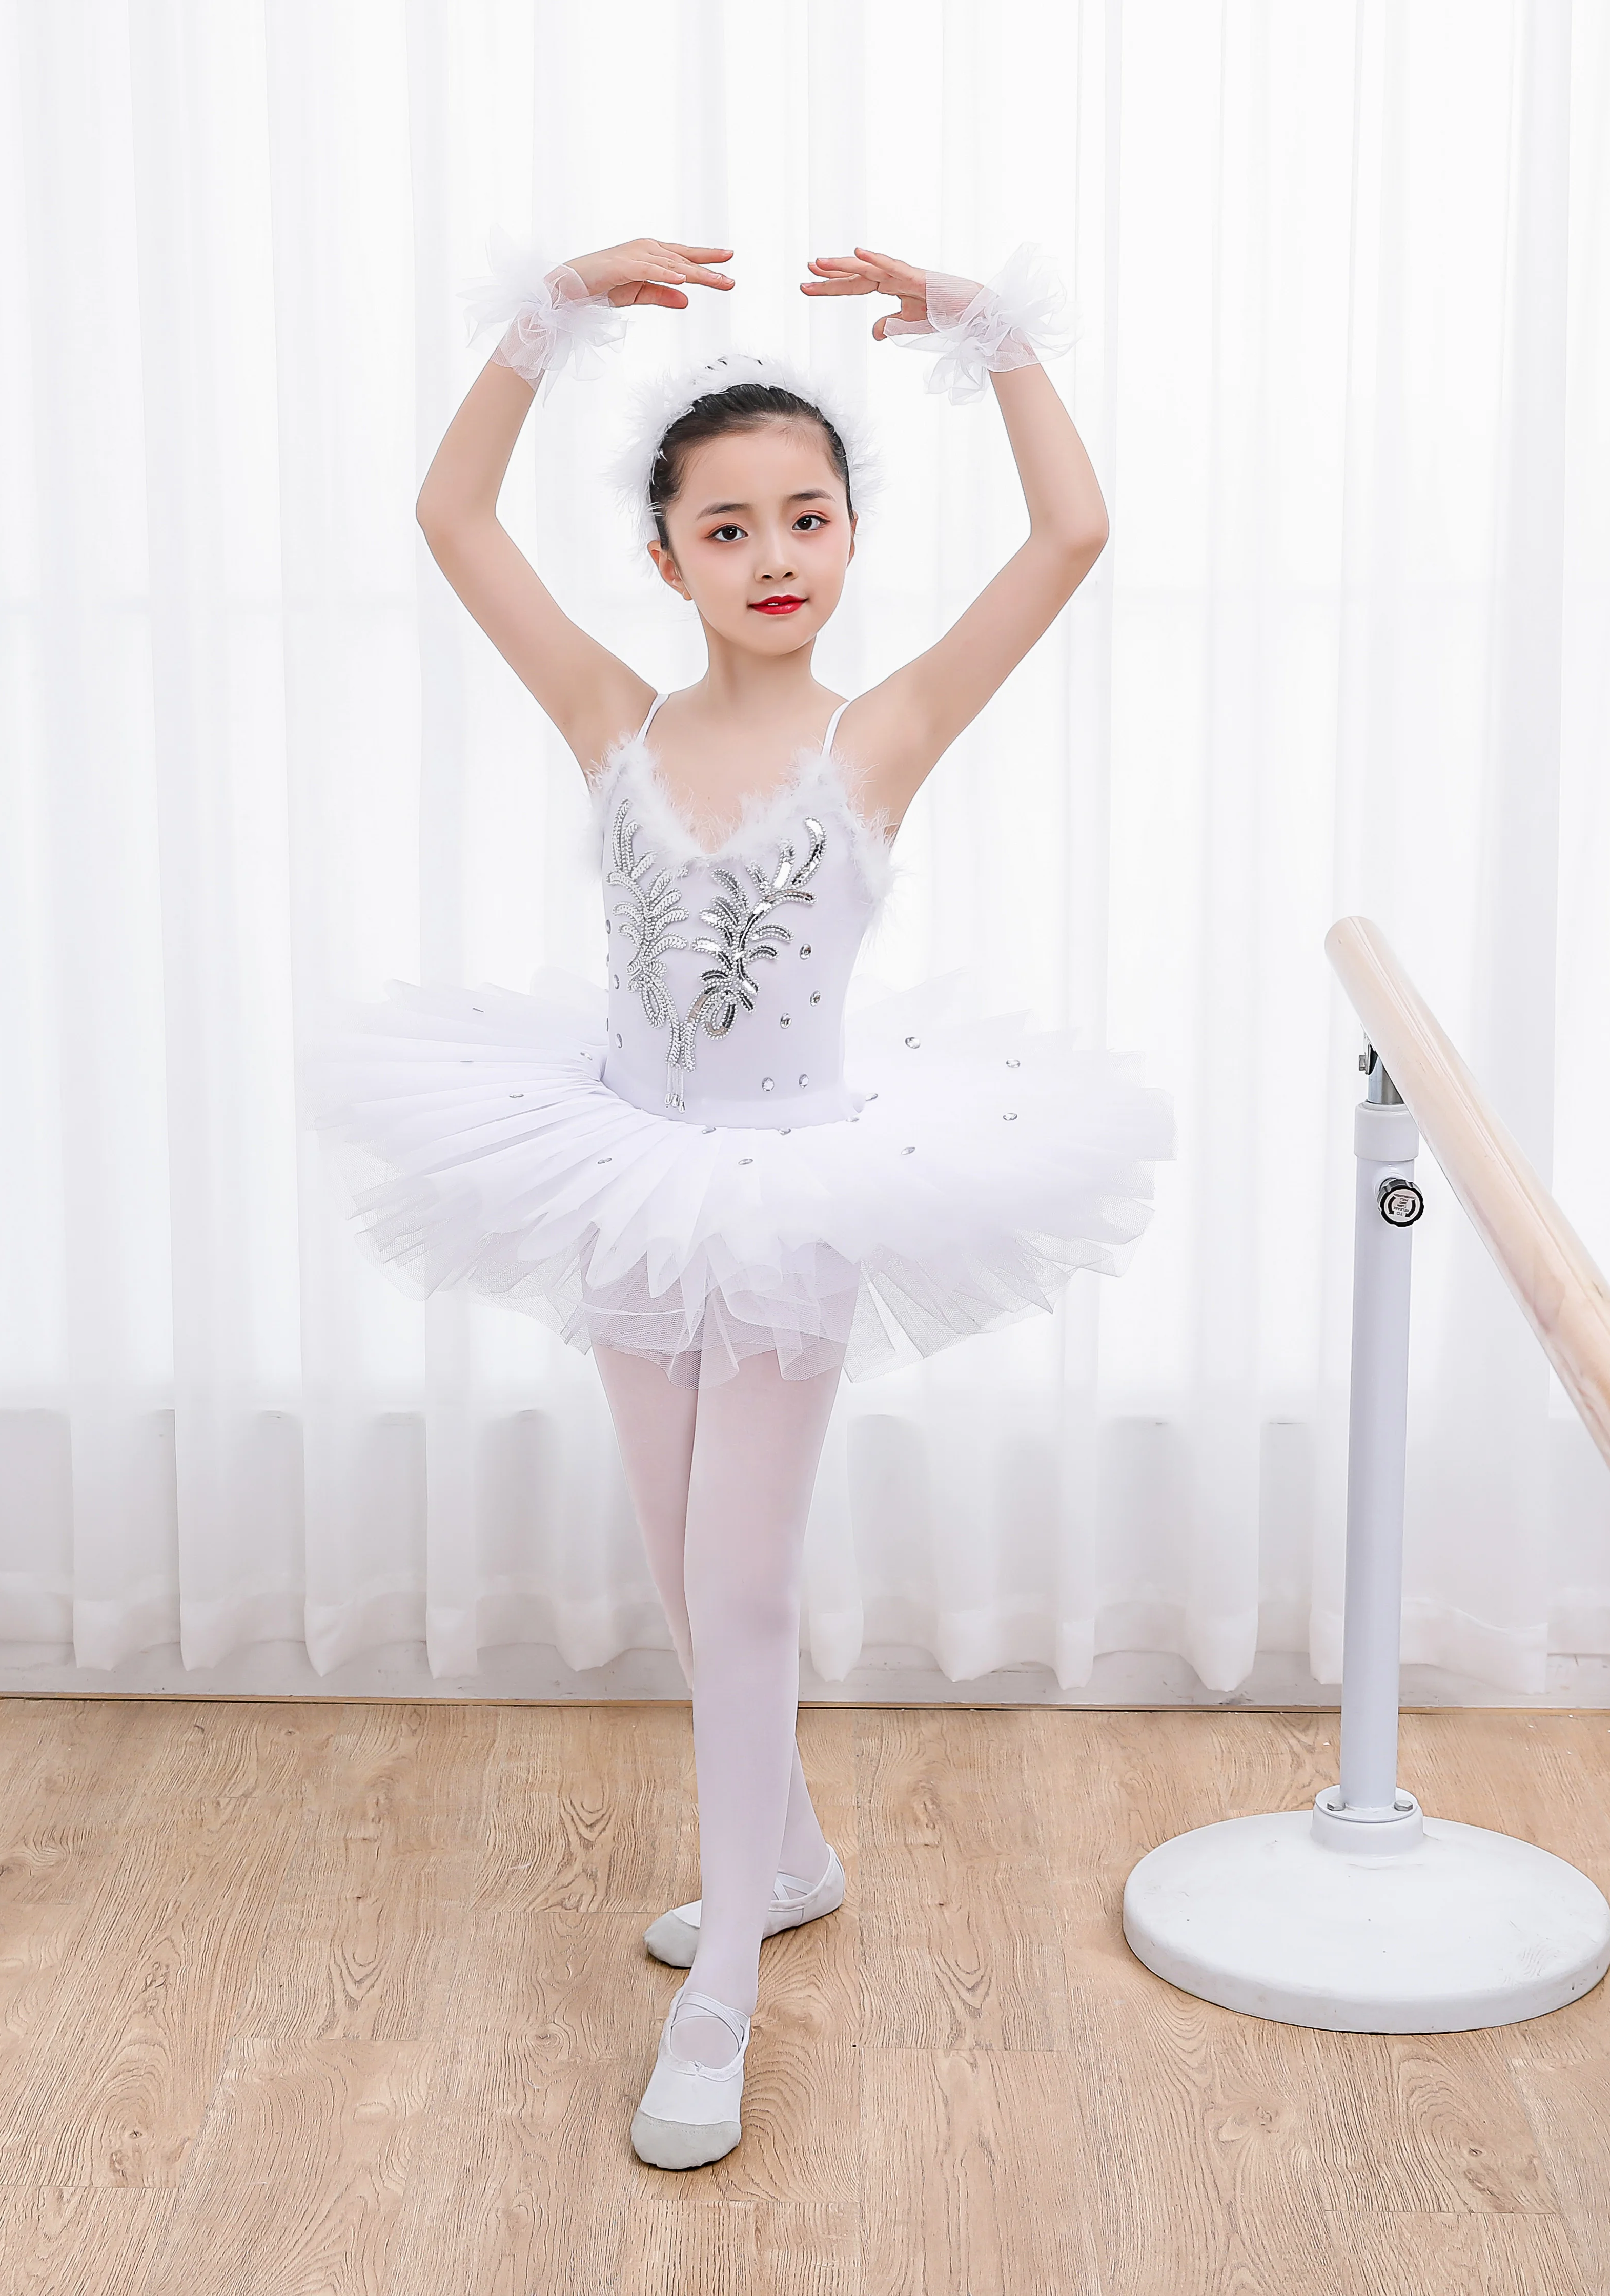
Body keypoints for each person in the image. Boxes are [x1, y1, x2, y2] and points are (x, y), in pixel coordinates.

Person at [298, 234, 1172, 2171]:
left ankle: (727, 1997)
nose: (774, 553)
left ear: (852, 536)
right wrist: (545, 321)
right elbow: (449, 515)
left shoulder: (884, 733)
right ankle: (783, 1853)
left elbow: (1074, 535)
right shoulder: (613, 717)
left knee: (752, 1576)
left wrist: (993, 335)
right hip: (619, 1169)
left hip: (794, 1191)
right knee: (688, 1569)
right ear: (669, 556)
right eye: (727, 525)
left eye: (809, 517)